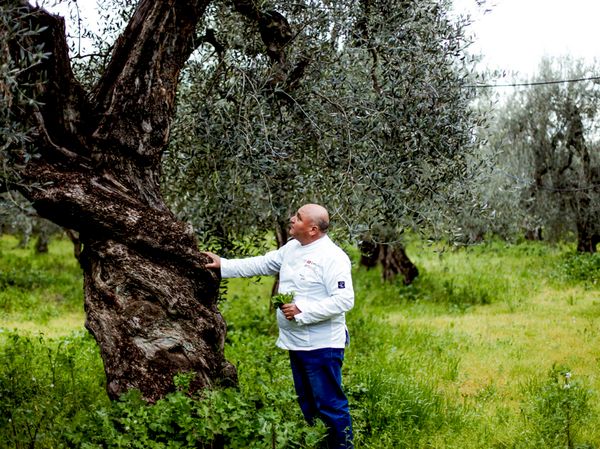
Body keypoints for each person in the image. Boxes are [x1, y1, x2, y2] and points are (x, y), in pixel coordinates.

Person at [203, 203, 354, 449]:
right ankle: (321, 444)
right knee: (308, 402)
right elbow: (263, 263)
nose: (291, 219)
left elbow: (344, 300)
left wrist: (303, 310)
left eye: (298, 217)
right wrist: (224, 264)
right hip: (297, 342)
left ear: (313, 229)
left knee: (329, 404)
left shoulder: (333, 257)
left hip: (322, 345)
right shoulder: (293, 248)